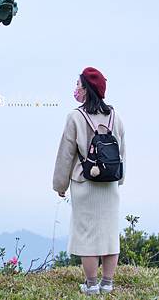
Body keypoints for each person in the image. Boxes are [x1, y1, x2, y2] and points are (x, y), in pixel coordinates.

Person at [52, 66, 126, 296]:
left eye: (78, 84)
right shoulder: (115, 116)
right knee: (109, 233)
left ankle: (92, 284)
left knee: (87, 235)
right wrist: (119, 179)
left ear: (87, 89)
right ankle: (108, 282)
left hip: (85, 183)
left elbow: (66, 154)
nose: (76, 89)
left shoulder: (76, 116)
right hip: (110, 184)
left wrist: (60, 185)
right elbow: (122, 151)